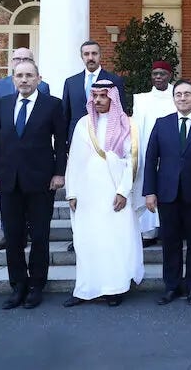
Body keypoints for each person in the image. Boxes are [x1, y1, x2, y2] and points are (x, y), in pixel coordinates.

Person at [0, 60, 67, 309]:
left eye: (29, 75)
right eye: (19, 75)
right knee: (13, 237)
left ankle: (36, 286)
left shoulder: (52, 104)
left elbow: (61, 142)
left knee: (40, 236)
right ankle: (18, 286)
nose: (24, 80)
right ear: (13, 79)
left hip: (41, 181)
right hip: (10, 181)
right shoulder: (4, 104)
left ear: (38, 79)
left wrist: (59, 173)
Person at [63, 80, 144, 308]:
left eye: (103, 95)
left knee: (114, 241)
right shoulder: (84, 124)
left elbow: (133, 161)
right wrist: (72, 192)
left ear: (112, 98)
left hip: (114, 192)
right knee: (87, 241)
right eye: (95, 96)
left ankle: (114, 288)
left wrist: (123, 192)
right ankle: (85, 289)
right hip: (87, 194)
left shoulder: (127, 124)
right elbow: (75, 159)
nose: (98, 100)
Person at [144, 80, 191, 305]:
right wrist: (149, 191)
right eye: (178, 94)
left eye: (187, 94)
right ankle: (172, 286)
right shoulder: (162, 124)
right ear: (174, 98)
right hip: (167, 194)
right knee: (170, 242)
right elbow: (150, 159)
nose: (183, 98)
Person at [62, 40, 126, 252]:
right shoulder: (71, 82)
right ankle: (79, 237)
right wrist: (65, 146)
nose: (90, 57)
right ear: (81, 56)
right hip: (79, 146)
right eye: (86, 54)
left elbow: (121, 113)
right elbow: (65, 116)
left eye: (94, 53)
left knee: (103, 195)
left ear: (100, 55)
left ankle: (105, 236)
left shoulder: (114, 80)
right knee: (80, 194)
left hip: (107, 147)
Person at [0, 47, 50, 251]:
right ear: (12, 62)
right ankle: (9, 234)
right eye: (17, 58)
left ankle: (29, 230)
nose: (21, 61)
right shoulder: (0, 85)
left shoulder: (43, 86)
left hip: (33, 159)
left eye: (26, 58)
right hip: (8, 155)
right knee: (9, 199)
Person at [132, 61, 177, 248]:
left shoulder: (177, 95)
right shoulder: (142, 99)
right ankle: (148, 232)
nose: (158, 77)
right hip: (146, 153)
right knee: (148, 189)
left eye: (162, 73)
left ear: (170, 75)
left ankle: (171, 230)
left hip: (172, 153)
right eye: (155, 74)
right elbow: (136, 128)